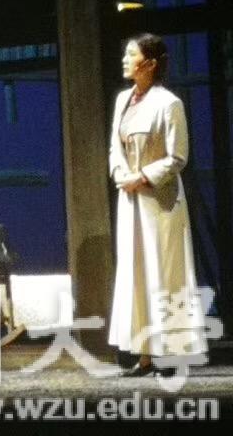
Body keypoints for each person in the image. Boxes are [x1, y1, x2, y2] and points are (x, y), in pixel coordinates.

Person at [107, 32, 207, 377]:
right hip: (130, 199)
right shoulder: (123, 100)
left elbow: (178, 156)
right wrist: (121, 173)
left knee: (165, 272)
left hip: (160, 201)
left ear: (149, 64)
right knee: (136, 272)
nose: (124, 59)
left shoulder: (169, 103)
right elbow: (115, 147)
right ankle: (145, 354)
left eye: (131, 54)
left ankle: (173, 354)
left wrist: (142, 177)